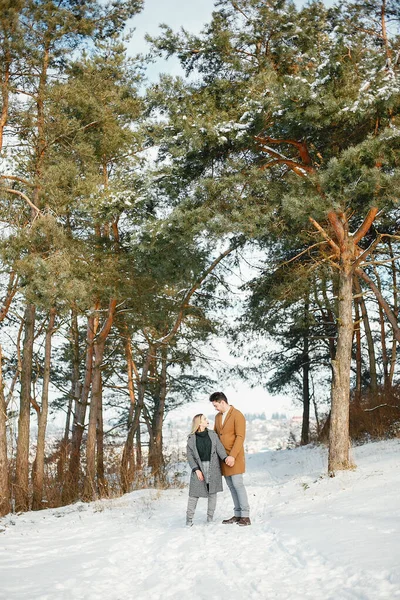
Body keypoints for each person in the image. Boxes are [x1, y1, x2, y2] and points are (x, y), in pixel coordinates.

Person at [210, 391, 251, 526]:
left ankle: (245, 516)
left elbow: (240, 437)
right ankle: (238, 514)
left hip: (235, 456)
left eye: (216, 405)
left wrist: (232, 456)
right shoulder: (217, 417)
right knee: (231, 487)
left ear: (222, 402)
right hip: (223, 457)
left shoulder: (237, 415)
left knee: (238, 484)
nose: (215, 408)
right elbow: (215, 435)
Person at [186, 413, 229, 527]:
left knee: (212, 493)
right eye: (204, 419)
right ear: (199, 423)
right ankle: (189, 520)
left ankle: (210, 518)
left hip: (213, 467)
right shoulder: (191, 438)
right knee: (194, 494)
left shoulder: (212, 434)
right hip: (199, 468)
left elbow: (219, 448)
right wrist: (196, 469)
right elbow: (190, 456)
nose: (207, 420)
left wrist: (226, 459)